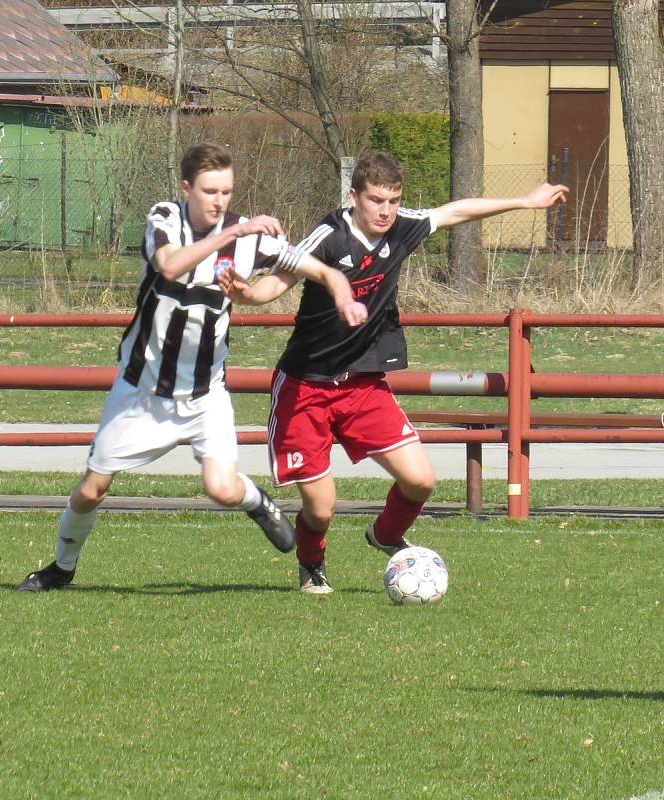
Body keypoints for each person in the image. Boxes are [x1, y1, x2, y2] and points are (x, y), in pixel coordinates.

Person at [15, 141, 367, 592]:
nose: (219, 201)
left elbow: (323, 271)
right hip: (140, 390)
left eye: (226, 192)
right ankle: (61, 568)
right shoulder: (166, 217)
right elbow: (167, 267)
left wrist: (343, 297)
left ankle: (258, 503)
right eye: (210, 191)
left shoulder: (248, 234)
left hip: (205, 394)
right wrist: (229, 237)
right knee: (90, 491)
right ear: (187, 188)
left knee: (222, 488)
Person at [223, 151, 568, 594]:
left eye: (393, 199)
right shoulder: (328, 237)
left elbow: (454, 211)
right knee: (322, 508)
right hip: (306, 387)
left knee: (421, 479)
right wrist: (247, 295)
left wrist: (524, 201)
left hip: (363, 385)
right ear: (354, 197)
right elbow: (276, 283)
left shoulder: (402, 226)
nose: (385, 210)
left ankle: (385, 535)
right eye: (375, 200)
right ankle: (312, 564)